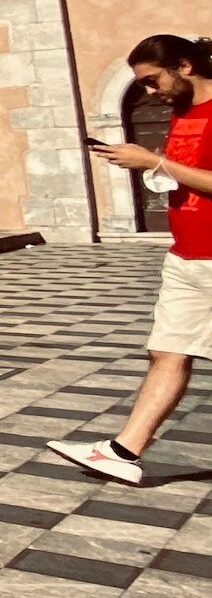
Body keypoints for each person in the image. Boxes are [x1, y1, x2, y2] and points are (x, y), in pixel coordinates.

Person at [51, 34, 212, 484]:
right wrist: (152, 165)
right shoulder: (180, 114)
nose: (148, 91)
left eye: (151, 80)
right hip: (186, 256)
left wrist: (154, 164)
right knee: (167, 351)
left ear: (184, 65)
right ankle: (123, 451)